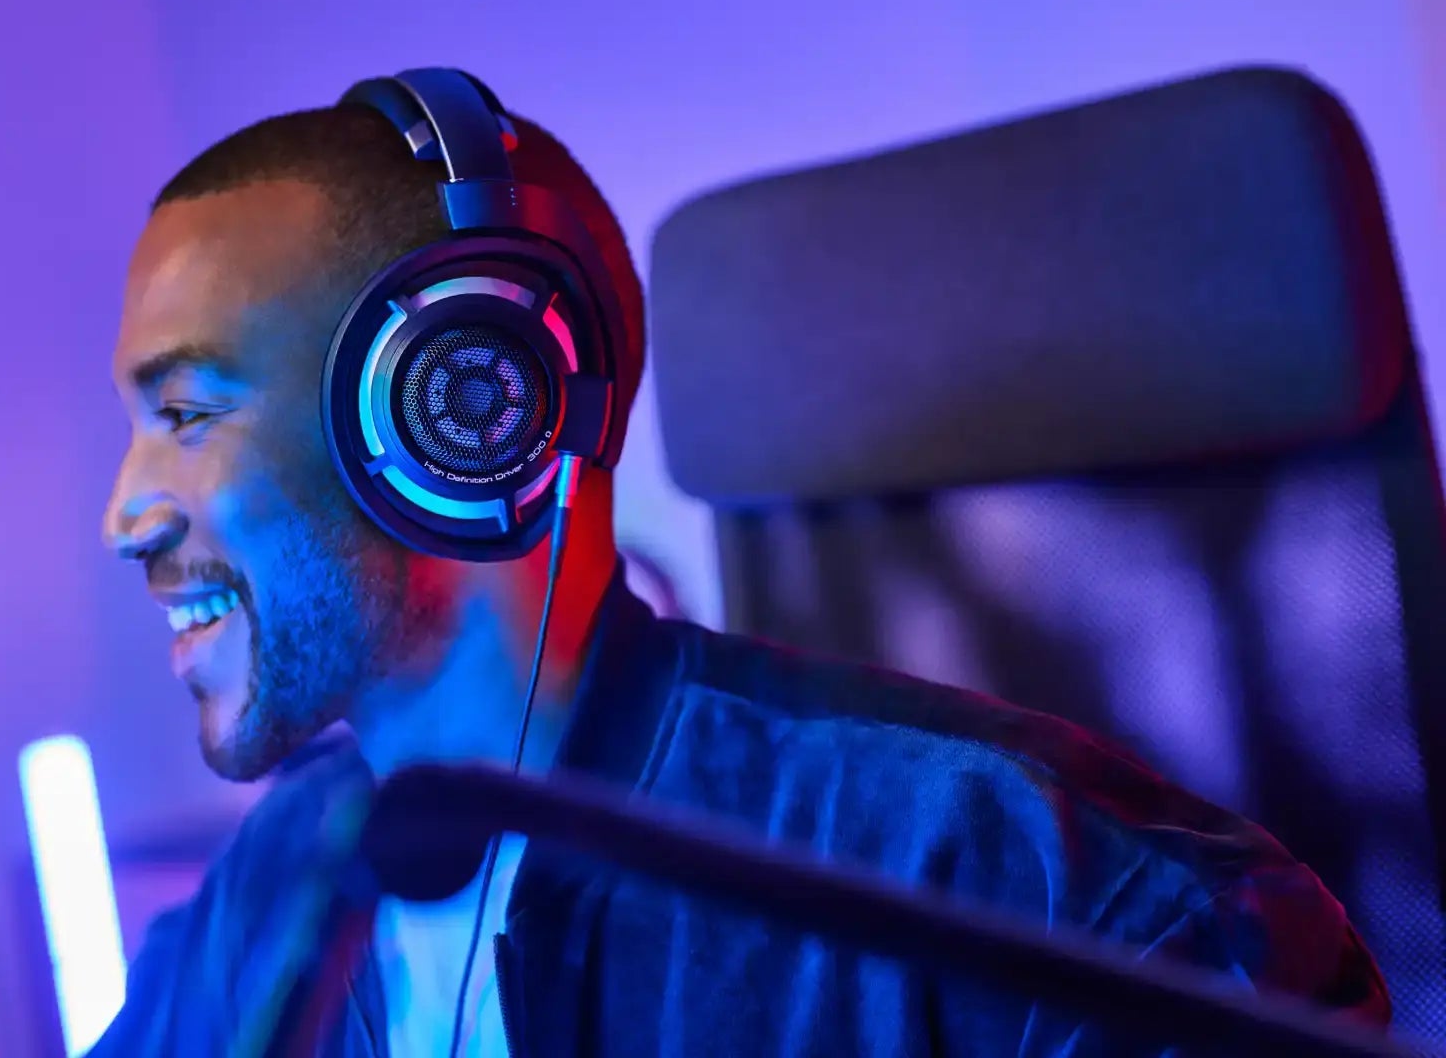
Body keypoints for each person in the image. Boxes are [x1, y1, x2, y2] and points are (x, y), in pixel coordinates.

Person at [91, 69, 1389, 1057]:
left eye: (188, 414)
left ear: (460, 405)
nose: (125, 515)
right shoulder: (277, 892)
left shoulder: (1049, 897)